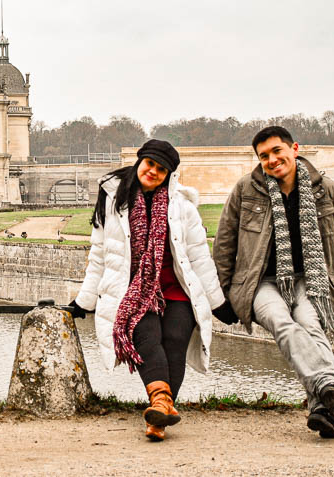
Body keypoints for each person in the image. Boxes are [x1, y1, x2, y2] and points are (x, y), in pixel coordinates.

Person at [212, 126, 334, 439]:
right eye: (264, 156)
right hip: (259, 283)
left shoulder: (327, 189)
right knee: (282, 322)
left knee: (310, 324)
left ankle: (324, 409)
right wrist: (222, 298)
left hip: (314, 280)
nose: (271, 160)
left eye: (276, 151)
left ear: (294, 148)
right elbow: (224, 244)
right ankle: (329, 388)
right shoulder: (246, 189)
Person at [69, 140, 229, 441]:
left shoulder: (182, 207)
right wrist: (84, 300)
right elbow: (101, 255)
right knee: (149, 337)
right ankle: (161, 409)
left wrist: (217, 302)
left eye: (161, 169)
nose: (153, 172)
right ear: (139, 162)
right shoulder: (113, 203)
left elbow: (198, 259)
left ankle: (159, 413)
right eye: (150, 164)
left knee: (176, 340)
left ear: (170, 175)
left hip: (177, 288)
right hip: (135, 290)